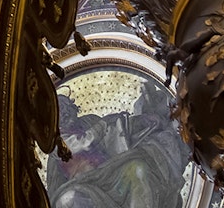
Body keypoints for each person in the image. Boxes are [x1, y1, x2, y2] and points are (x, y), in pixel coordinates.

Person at [46, 82, 189, 208]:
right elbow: (83, 141)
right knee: (69, 199)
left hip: (108, 174)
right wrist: (105, 122)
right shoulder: (57, 142)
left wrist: (141, 121)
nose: (68, 118)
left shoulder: (88, 121)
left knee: (137, 167)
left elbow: (116, 132)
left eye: (68, 111)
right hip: (83, 182)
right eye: (63, 115)